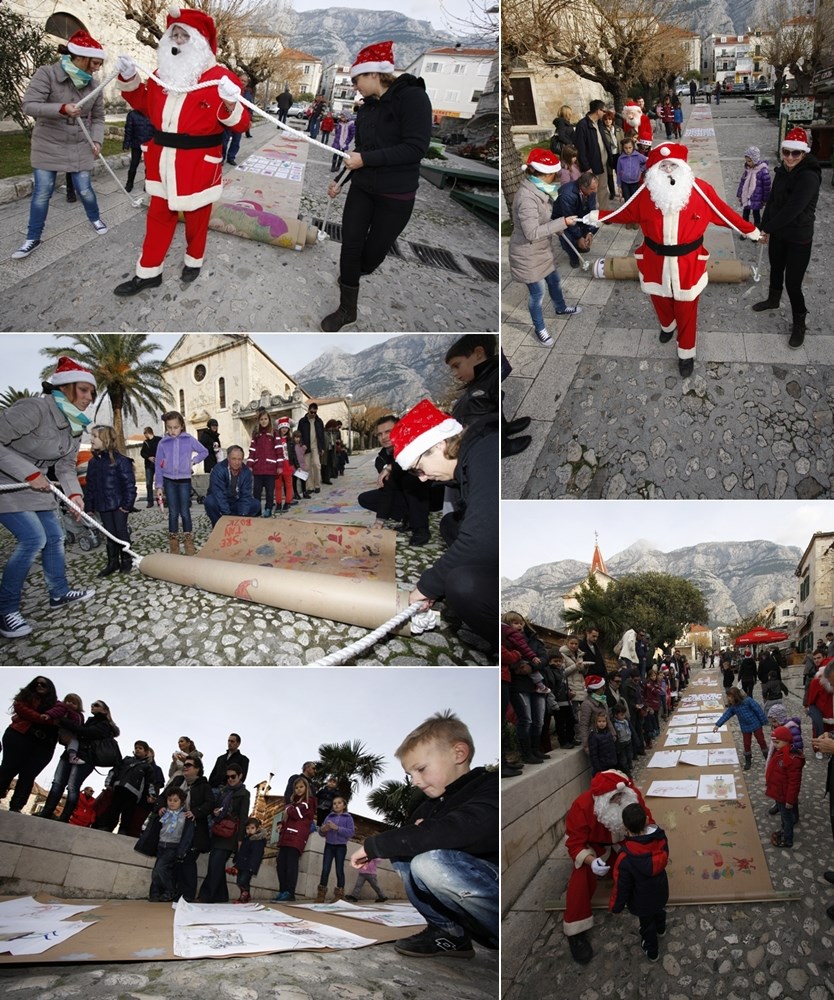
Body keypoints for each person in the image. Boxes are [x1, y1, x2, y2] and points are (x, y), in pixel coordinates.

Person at [591, 142, 761, 377]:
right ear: (653, 170)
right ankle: (667, 326)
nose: (668, 169)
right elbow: (625, 213)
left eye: (673, 164)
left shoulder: (701, 190)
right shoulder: (645, 193)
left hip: (688, 263)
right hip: (654, 260)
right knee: (659, 299)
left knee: (686, 308)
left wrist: (751, 230)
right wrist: (598, 216)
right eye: (663, 166)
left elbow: (724, 214)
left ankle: (686, 352)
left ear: (682, 166)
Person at [113, 9, 250, 294]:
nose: (176, 40)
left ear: (200, 41)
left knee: (197, 220)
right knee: (158, 218)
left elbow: (241, 123)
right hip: (162, 159)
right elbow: (143, 104)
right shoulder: (162, 75)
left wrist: (228, 102)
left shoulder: (220, 78)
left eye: (184, 35)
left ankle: (194, 260)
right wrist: (129, 78)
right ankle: (149, 272)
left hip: (199, 163)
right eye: (173, 34)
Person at [349, 711, 497, 957]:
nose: (415, 781)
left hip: (492, 881)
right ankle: (449, 933)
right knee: (405, 855)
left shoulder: (489, 785)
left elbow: (461, 828)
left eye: (421, 769)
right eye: (410, 775)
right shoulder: (430, 804)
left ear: (458, 754)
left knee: (429, 861)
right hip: (462, 896)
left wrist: (375, 844)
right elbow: (414, 836)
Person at [320, 40, 432, 331]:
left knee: (371, 255)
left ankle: (352, 276)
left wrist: (365, 158)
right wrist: (340, 181)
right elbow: (360, 151)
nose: (354, 84)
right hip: (363, 190)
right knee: (350, 246)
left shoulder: (413, 98)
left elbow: (416, 148)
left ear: (373, 74)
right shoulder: (367, 108)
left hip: (396, 195)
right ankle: (347, 309)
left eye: (357, 79)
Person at [0, 356, 97, 639]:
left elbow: (66, 466)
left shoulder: (75, 425)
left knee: (54, 537)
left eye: (91, 392)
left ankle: (59, 593)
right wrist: (28, 473)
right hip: (7, 482)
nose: (89, 397)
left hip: (38, 485)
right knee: (34, 539)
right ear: (65, 388)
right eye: (83, 390)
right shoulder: (35, 409)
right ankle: (6, 610)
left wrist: (75, 495)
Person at [391, 400, 498, 649]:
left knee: (461, 584)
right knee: (450, 524)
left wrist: (424, 588)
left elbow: (481, 538)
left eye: (419, 469)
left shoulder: (484, 452)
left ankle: (506, 648)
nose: (424, 478)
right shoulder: (470, 459)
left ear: (438, 444)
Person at [12, 31, 108, 260]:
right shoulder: (47, 74)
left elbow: (99, 117)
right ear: (81, 58)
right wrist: (61, 108)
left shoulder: (94, 85)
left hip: (79, 145)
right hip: (49, 143)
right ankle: (32, 237)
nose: (97, 68)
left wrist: (97, 139)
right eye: (95, 63)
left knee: (85, 189)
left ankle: (95, 217)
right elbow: (29, 106)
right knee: (42, 193)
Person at [563, 769, 652, 963]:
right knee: (580, 874)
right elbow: (574, 844)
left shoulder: (632, 796)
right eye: (614, 797)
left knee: (646, 862)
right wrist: (590, 860)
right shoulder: (582, 806)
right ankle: (575, 929)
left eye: (622, 795)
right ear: (602, 799)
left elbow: (647, 822)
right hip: (595, 849)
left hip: (622, 846)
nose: (620, 800)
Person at [753, 126, 821, 349]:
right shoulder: (783, 170)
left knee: (793, 283)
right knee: (775, 268)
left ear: (804, 154)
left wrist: (769, 229)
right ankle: (773, 300)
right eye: (786, 152)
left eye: (796, 153)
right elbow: (772, 200)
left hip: (799, 238)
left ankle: (800, 323)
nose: (790, 157)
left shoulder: (809, 177)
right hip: (780, 234)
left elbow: (793, 209)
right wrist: (763, 226)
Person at [508, 148, 582, 347]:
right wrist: (562, 223)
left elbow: (542, 219)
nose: (557, 178)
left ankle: (560, 307)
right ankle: (539, 327)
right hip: (527, 254)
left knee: (555, 281)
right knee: (537, 294)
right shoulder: (527, 197)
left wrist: (557, 226)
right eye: (555, 175)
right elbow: (531, 232)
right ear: (546, 174)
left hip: (541, 250)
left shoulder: (539, 189)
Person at [39, 697, 120, 822]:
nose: (93, 706)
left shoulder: (104, 725)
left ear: (104, 710)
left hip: (86, 758)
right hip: (70, 755)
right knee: (57, 783)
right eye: (92, 704)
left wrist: (64, 721)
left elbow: (85, 732)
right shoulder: (88, 721)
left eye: (97, 705)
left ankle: (65, 816)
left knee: (72, 786)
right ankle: (46, 811)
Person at [358, 414, 433, 547]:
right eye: (380, 434)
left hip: (428, 494)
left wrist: (391, 467)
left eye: (388, 431)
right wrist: (379, 521)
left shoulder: (413, 447)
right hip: (401, 495)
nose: (384, 437)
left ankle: (421, 528)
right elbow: (388, 488)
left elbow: (410, 464)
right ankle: (408, 517)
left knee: (409, 480)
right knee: (365, 498)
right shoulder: (381, 459)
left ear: (399, 430)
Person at [609, 802, 669, 962]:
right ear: (647, 820)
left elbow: (621, 886)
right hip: (661, 890)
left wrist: (617, 907)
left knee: (647, 925)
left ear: (625, 828)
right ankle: (661, 928)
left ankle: (652, 950)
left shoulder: (625, 857)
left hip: (641, 900)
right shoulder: (661, 838)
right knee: (659, 910)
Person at [0, 676, 59, 812]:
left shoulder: (57, 705)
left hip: (43, 744)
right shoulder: (25, 698)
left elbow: (67, 718)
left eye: (43, 685)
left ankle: (16, 806)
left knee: (28, 775)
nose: (39, 686)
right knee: (8, 768)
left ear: (50, 688)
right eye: (36, 684)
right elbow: (21, 709)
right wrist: (44, 719)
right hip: (19, 736)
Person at [85, 424, 137, 577]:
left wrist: (126, 506)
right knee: (109, 534)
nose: (91, 439)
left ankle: (126, 560)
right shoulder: (93, 463)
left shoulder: (120, 461)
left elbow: (129, 485)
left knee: (121, 532)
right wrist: (89, 506)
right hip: (103, 505)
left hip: (119, 506)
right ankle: (113, 562)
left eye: (95, 436)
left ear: (105, 439)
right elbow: (91, 486)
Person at [154, 410, 208, 555]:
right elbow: (158, 466)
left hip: (184, 480)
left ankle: (188, 540)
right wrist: (158, 486)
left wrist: (193, 461)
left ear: (182, 426)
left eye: (175, 427)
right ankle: (173, 541)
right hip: (169, 480)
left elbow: (204, 452)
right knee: (173, 512)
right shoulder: (162, 443)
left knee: (185, 512)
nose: (172, 431)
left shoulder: (189, 439)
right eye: (169, 427)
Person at [164, 754, 214, 901]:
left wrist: (196, 812)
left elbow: (210, 803)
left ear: (197, 769)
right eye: (184, 765)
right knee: (177, 861)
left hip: (194, 830)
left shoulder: (204, 786)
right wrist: (161, 806)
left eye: (189, 765)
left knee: (188, 860)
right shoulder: (178, 781)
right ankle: (177, 893)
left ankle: (188, 894)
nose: (185, 767)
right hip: (175, 829)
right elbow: (165, 795)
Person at [199, 763, 250, 903]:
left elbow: (243, 817)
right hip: (218, 830)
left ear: (240, 776)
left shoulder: (244, 793)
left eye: (233, 776)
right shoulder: (224, 791)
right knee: (216, 863)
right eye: (228, 777)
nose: (230, 779)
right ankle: (221, 895)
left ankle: (207, 895)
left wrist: (240, 840)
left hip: (231, 834)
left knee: (215, 862)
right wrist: (215, 811)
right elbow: (215, 807)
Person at [95, 740, 154, 833]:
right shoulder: (126, 760)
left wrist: (152, 795)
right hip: (119, 788)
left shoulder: (147, 767)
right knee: (114, 809)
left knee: (128, 812)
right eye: (136, 748)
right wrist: (109, 783)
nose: (137, 750)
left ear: (146, 752)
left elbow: (150, 783)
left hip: (133, 792)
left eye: (140, 748)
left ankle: (123, 829)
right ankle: (109, 826)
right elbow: (115, 770)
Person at [274, 776, 316, 901]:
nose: (298, 789)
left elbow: (296, 814)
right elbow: (288, 816)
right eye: (296, 787)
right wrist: (281, 823)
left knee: (291, 864)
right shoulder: (294, 803)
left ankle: (290, 892)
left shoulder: (310, 801)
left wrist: (288, 808)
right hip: (286, 836)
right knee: (281, 864)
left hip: (297, 837)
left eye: (301, 787)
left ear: (306, 788)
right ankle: (282, 891)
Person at [765, 725, 805, 848]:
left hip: (784, 795)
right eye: (773, 742)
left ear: (787, 740)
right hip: (779, 792)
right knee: (784, 816)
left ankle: (788, 839)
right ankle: (786, 829)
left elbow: (794, 783)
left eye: (777, 742)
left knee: (786, 818)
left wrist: (789, 800)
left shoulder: (791, 759)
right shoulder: (781, 752)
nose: (775, 745)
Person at [149, 787, 192, 901]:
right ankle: (156, 893)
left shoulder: (184, 816)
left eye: (175, 800)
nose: (172, 803)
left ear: (182, 802)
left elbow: (187, 834)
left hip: (173, 847)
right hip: (161, 845)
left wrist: (182, 849)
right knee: (158, 871)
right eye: (170, 800)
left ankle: (171, 889)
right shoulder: (164, 813)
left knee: (160, 869)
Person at [204, 445, 261, 527]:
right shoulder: (218, 469)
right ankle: (218, 525)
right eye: (233, 459)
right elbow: (219, 494)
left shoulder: (246, 472)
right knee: (209, 501)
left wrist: (242, 516)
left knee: (256, 504)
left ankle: (239, 524)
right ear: (228, 458)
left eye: (239, 459)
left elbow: (246, 496)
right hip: (221, 500)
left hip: (236, 501)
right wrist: (227, 516)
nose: (236, 462)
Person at [552, 171, 599, 269]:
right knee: (568, 239)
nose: (595, 191)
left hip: (579, 213)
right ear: (583, 186)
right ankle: (573, 257)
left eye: (595, 188)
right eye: (592, 189)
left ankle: (580, 245)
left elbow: (591, 211)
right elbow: (569, 218)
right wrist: (579, 237)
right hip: (563, 218)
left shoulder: (591, 191)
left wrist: (589, 232)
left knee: (595, 224)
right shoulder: (567, 194)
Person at [714, 687, 768, 770]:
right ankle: (748, 760)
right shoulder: (733, 707)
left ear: (735, 696)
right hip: (745, 727)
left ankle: (767, 757)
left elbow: (758, 710)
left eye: (730, 697)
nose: (728, 698)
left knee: (761, 740)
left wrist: (764, 721)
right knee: (746, 744)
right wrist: (718, 725)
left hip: (755, 723)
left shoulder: (748, 701)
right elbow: (726, 715)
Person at [316, 795, 356, 903]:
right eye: (334, 803)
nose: (336, 805)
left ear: (344, 805)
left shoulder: (348, 817)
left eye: (339, 803)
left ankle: (339, 895)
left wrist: (337, 828)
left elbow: (351, 832)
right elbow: (321, 832)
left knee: (339, 869)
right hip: (329, 845)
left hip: (341, 846)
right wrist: (323, 829)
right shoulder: (329, 817)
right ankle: (321, 895)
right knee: (325, 869)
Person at [573, 99, 610, 211]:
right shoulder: (582, 125)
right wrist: (586, 167)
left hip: (602, 163)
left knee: (603, 189)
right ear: (598, 110)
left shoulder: (599, 123)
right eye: (603, 111)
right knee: (591, 191)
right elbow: (580, 148)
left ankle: (604, 212)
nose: (604, 113)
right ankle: (592, 214)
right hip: (591, 166)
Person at [247, 410, 280, 517]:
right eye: (261, 419)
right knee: (256, 492)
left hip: (270, 469)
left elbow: (279, 449)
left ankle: (268, 509)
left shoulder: (274, 432)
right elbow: (252, 450)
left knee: (270, 492)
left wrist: (279, 465)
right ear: (258, 421)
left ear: (269, 420)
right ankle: (257, 510)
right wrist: (250, 465)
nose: (263, 421)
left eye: (265, 419)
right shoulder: (256, 433)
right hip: (258, 469)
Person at [233, 816, 268, 903]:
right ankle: (245, 896)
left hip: (249, 866)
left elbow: (256, 856)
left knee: (243, 881)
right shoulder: (246, 839)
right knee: (239, 881)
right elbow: (241, 853)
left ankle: (244, 897)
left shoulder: (258, 841)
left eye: (252, 828)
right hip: (242, 865)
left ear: (257, 828)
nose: (249, 830)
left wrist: (252, 868)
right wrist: (236, 864)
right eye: (247, 828)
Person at [736, 146, 771, 232]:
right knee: (745, 214)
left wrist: (765, 199)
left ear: (755, 160)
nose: (747, 163)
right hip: (747, 198)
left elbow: (767, 188)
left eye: (749, 161)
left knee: (756, 215)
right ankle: (745, 230)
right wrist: (740, 194)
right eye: (746, 161)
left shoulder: (763, 172)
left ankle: (756, 231)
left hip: (757, 199)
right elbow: (742, 182)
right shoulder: (747, 170)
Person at [222, 71, 254, 164]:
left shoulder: (248, 94)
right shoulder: (230, 90)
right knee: (224, 140)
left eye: (245, 81)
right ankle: (222, 157)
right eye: (241, 80)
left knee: (236, 141)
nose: (243, 82)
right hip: (229, 119)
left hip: (240, 121)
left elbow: (250, 108)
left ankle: (231, 157)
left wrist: (250, 119)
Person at [123, 108, 154, 193]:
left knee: (149, 166)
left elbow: (157, 129)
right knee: (133, 165)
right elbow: (128, 130)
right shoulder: (132, 114)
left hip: (149, 144)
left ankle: (147, 184)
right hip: (136, 144)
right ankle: (129, 183)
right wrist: (126, 144)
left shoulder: (153, 113)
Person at [299, 403, 326, 493]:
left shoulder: (319, 421)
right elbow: (299, 434)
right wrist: (301, 444)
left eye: (315, 412)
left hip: (316, 446)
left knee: (317, 465)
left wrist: (322, 447)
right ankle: (310, 487)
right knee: (307, 467)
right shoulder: (302, 421)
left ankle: (317, 485)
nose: (313, 414)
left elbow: (322, 435)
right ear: (308, 410)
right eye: (312, 412)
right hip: (306, 447)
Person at [274, 417, 295, 512]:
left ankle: (287, 502)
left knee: (288, 485)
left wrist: (296, 466)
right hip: (278, 466)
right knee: (278, 486)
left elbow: (293, 454)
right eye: (282, 428)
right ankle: (278, 503)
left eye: (286, 428)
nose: (284, 429)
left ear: (288, 429)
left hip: (288, 465)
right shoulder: (275, 439)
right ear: (279, 428)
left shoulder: (290, 440)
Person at [588, 709, 617, 775]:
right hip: (601, 766)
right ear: (596, 722)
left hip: (610, 763)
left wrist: (614, 761)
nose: (602, 723)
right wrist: (597, 767)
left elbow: (612, 748)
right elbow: (593, 754)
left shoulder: (609, 733)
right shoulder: (593, 736)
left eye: (603, 721)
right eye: (599, 721)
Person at [139, 426, 161, 507]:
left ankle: (160, 500)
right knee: (149, 484)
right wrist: (149, 457)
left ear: (147, 433)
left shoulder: (159, 440)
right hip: (149, 465)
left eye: (144, 433)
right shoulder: (145, 443)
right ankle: (150, 501)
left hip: (158, 464)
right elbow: (142, 453)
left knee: (159, 483)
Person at [291, 430, 310, 499]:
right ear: (293, 437)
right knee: (294, 479)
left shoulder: (301, 446)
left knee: (303, 479)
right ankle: (295, 493)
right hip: (294, 465)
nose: (297, 439)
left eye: (298, 437)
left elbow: (302, 454)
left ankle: (304, 492)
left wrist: (304, 448)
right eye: (296, 437)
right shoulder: (292, 445)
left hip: (301, 464)